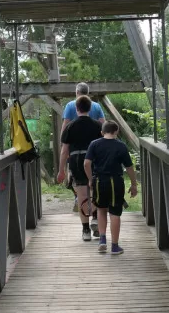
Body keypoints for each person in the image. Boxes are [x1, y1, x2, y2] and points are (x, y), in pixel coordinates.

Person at [84, 121, 138, 255]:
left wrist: (91, 179)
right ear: (116, 132)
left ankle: (102, 240)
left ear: (102, 132)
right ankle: (114, 246)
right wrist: (134, 184)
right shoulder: (121, 146)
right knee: (114, 213)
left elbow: (86, 163)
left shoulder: (94, 144)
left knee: (101, 210)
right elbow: (129, 167)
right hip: (116, 182)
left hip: (99, 181)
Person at [57, 95, 103, 241]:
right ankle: (95, 218)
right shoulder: (98, 126)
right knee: (95, 192)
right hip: (95, 161)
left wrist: (61, 170)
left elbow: (64, 151)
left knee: (82, 195)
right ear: (90, 108)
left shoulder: (70, 127)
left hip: (77, 162)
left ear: (76, 109)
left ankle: (85, 231)